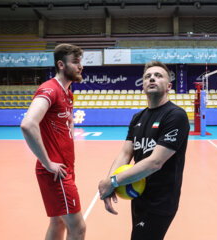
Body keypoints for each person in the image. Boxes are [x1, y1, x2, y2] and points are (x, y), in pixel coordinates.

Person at [98, 61, 190, 240]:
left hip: (161, 200)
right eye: (147, 76)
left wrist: (113, 181)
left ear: (169, 86)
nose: (152, 78)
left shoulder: (175, 116)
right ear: (143, 86)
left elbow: (155, 162)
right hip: (138, 195)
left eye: (158, 75)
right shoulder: (137, 117)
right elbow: (125, 154)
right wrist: (109, 183)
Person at [21, 43, 86, 240]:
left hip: (64, 168)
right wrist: (48, 162)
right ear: (61, 65)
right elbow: (28, 124)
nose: (80, 66)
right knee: (78, 228)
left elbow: (68, 123)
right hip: (55, 172)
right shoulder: (49, 90)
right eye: (75, 62)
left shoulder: (67, 92)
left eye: (80, 61)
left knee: (57, 222)